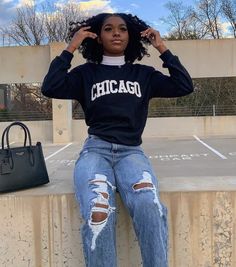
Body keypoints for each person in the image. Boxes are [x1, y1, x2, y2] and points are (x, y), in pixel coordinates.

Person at [41, 12, 194, 267]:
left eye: (122, 29)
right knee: (98, 211)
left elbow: (184, 85)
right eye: (108, 29)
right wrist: (71, 46)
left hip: (131, 153)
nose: (116, 33)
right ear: (98, 38)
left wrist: (161, 47)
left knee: (149, 205)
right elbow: (50, 86)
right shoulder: (85, 74)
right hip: (95, 152)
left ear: (129, 36)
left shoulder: (143, 75)